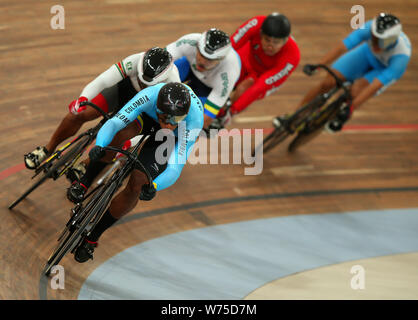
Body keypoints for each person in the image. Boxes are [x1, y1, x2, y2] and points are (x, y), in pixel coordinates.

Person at [73, 82, 204, 262]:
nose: (169, 124)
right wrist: (100, 145)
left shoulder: (194, 119)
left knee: (138, 183)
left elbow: (175, 166)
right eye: (165, 118)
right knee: (120, 134)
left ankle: (93, 236)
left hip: (171, 139)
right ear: (158, 108)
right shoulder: (150, 95)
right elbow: (115, 122)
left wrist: (155, 185)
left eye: (176, 120)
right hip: (147, 118)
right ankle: (84, 181)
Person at [24, 47, 181, 178]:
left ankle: (87, 165)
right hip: (124, 90)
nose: (142, 85)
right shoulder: (134, 60)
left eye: (147, 85)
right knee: (79, 114)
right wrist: (83, 98)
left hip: (146, 108)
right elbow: (104, 80)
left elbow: (161, 125)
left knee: (118, 138)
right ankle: (47, 150)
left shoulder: (173, 84)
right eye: (140, 80)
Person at [274, 13, 411, 132]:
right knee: (328, 82)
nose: (374, 41)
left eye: (378, 41)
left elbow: (374, 86)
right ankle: (294, 116)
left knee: (355, 92)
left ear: (390, 40)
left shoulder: (401, 58)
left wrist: (351, 109)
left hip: (382, 69)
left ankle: (334, 117)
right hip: (365, 54)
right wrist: (319, 66)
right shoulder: (369, 27)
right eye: (373, 37)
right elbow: (343, 46)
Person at [212, 12, 300, 127]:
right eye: (267, 40)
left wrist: (232, 111)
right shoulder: (256, 24)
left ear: (285, 41)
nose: (270, 46)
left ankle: (223, 115)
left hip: (263, 76)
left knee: (243, 89)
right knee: (222, 73)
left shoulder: (292, 56)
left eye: (276, 42)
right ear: (260, 34)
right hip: (247, 58)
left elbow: (258, 88)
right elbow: (230, 46)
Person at [165, 28, 241, 129]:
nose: (202, 62)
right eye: (201, 55)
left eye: (209, 60)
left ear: (221, 59)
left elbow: (205, 120)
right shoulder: (190, 41)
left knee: (192, 120)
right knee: (162, 76)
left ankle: (223, 112)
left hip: (209, 86)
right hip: (189, 66)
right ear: (197, 47)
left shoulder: (229, 73)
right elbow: (161, 60)